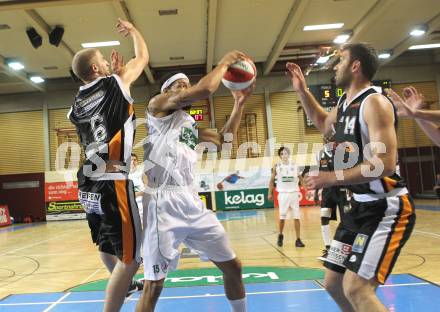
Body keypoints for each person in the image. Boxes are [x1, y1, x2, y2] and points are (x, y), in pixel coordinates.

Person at [286, 43, 416, 312]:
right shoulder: (345, 103)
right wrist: (302, 91)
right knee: (333, 283)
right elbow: (322, 123)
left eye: (340, 61)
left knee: (356, 288)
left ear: (355, 65)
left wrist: (331, 178)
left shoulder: (375, 103)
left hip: (386, 208)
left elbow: (386, 163)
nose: (335, 67)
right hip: (358, 208)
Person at [136, 50, 254, 312]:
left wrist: (239, 103)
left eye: (187, 85)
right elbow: (205, 90)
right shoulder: (157, 107)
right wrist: (224, 63)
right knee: (153, 286)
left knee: (233, 267)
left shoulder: (189, 125)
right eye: (181, 85)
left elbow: (225, 143)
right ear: (167, 91)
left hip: (191, 202)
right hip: (162, 203)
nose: (186, 89)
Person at [69, 18, 149, 312]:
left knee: (105, 244)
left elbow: (98, 114)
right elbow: (143, 58)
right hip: (112, 179)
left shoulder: (75, 105)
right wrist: (133, 32)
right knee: (131, 259)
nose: (108, 62)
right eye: (102, 60)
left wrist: (112, 76)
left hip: (86, 180)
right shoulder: (116, 83)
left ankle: (125, 286)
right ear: (95, 69)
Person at [316, 136, 351, 261]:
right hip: (327, 192)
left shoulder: (344, 153)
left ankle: (344, 249)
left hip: (341, 191)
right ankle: (328, 248)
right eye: (324, 139)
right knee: (324, 218)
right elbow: (320, 174)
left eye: (328, 139)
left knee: (346, 220)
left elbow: (349, 172)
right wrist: (316, 192)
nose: (326, 141)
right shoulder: (320, 154)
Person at [268, 146, 305, 248]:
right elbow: (271, 181)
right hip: (283, 194)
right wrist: (269, 193)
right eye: (282, 153)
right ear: (280, 156)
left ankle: (298, 239)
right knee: (282, 218)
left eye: (285, 153)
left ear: (288, 154)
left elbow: (301, 179)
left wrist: (306, 189)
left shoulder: (295, 166)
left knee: (297, 217)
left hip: (294, 194)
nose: (284, 155)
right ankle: (280, 235)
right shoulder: (277, 166)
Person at [129, 153, 145, 225]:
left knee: (142, 224)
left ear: (137, 161)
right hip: (129, 203)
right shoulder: (124, 175)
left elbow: (148, 189)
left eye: (134, 160)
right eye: (130, 160)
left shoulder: (142, 173)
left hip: (141, 202)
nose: (132, 162)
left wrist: (137, 194)